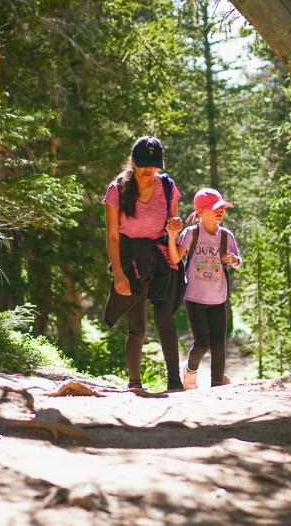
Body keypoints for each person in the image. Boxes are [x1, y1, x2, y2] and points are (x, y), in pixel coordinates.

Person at [103, 136, 185, 392]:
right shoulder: (117, 189)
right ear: (133, 162)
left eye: (154, 164)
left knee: (164, 317)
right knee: (136, 326)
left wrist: (176, 226)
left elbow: (173, 224)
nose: (149, 169)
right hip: (130, 259)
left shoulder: (168, 187)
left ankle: (174, 382)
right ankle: (135, 383)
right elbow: (113, 235)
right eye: (143, 164)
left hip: (161, 257)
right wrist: (118, 272)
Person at [166, 187, 241, 389]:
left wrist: (233, 260)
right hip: (195, 298)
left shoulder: (226, 236)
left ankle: (217, 385)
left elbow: (237, 260)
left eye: (222, 208)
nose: (220, 211)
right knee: (202, 343)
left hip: (219, 298)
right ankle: (190, 373)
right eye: (214, 208)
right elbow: (175, 258)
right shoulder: (191, 234)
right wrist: (172, 238)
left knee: (219, 345)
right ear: (200, 213)